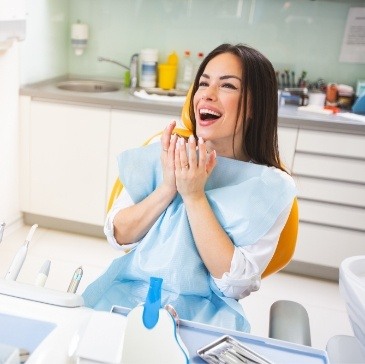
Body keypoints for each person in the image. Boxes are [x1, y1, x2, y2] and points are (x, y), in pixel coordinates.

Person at [82, 43, 296, 332]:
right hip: (127, 301)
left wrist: (194, 196)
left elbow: (235, 283)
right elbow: (117, 233)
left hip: (202, 320)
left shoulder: (271, 187)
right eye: (203, 83)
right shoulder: (166, 151)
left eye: (227, 86)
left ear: (255, 106)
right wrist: (167, 188)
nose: (207, 94)